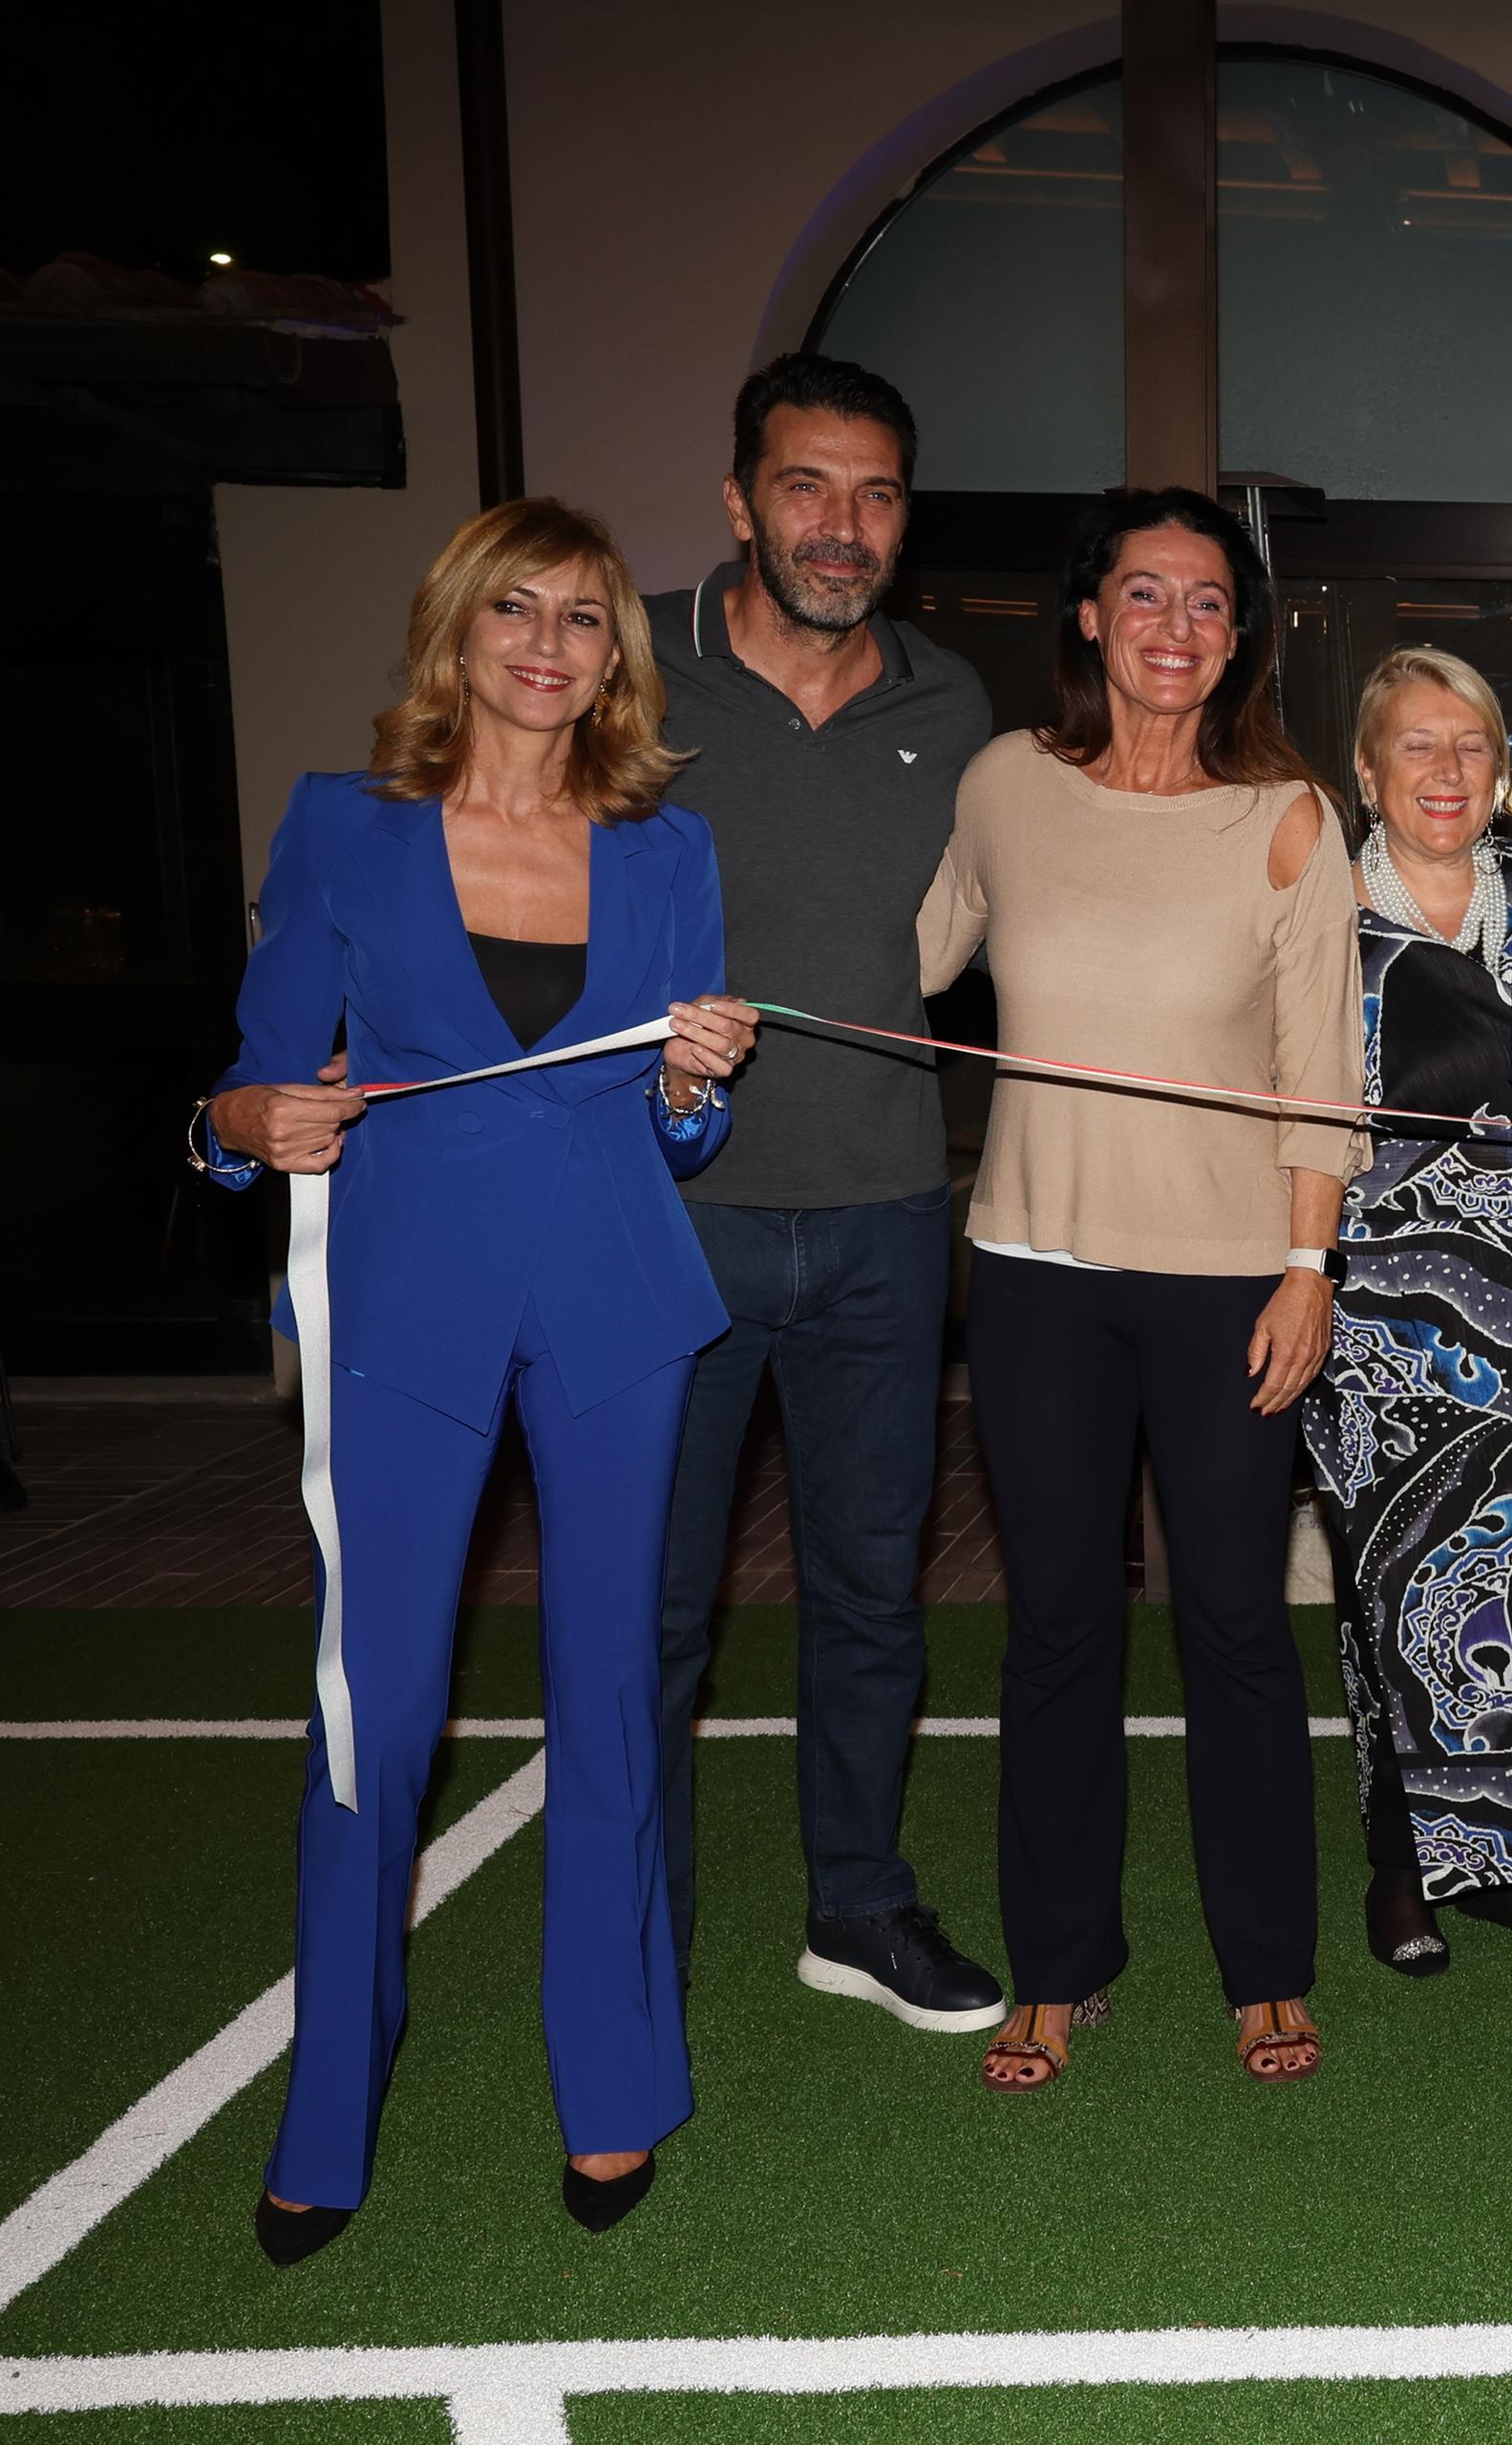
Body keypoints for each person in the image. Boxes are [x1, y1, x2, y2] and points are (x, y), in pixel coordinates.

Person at [199, 498, 758, 2259]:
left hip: (612, 1302)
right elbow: (246, 1091)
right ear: (456, 629)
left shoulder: (671, 853)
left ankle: (613, 2083)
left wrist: (692, 1080)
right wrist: (245, 1123)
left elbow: (687, 1126)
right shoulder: (343, 830)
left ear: (617, 659)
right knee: (374, 1708)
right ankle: (327, 2113)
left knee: (610, 1698)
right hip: (401, 1305)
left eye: (582, 618)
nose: (546, 642)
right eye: (513, 607)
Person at [918, 489, 1363, 2093]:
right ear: (1090, 615)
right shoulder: (1004, 787)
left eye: (1209, 602)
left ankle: (1266, 1964)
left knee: (1238, 1619)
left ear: (1240, 638)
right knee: (1056, 1622)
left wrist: (1311, 1266)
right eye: (1146, 592)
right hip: (1035, 1271)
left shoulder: (1293, 819)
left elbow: (1326, 1072)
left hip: (1235, 1278)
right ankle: (1058, 1959)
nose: (1178, 624)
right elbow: (901, 963)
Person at [642, 351, 1004, 2035]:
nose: (838, 525)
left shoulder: (955, 704)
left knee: (870, 1592)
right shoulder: (629, 668)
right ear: (740, 500)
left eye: (871, 494)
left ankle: (856, 1906)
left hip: (880, 1215)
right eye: (805, 485)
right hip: (668, 1218)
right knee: (653, 1606)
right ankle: (632, 1927)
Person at [1303, 645, 1512, 1976]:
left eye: (1469, 744)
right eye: (1414, 746)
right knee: (1390, 1593)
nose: (1444, 770)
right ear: (1366, 770)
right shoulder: (1313, 912)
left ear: (1501, 770)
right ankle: (1399, 1865)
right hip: (1371, 1317)